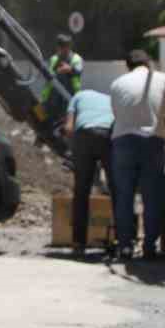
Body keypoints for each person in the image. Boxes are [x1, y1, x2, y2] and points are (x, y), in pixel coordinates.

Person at [109, 49, 165, 261]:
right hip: (152, 143)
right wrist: (156, 127)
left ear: (127, 66)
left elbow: (117, 115)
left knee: (124, 196)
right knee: (151, 196)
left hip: (122, 143)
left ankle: (126, 246)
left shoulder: (117, 84)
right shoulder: (163, 79)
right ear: (149, 64)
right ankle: (149, 247)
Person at [62, 87, 114, 256]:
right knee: (117, 189)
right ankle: (119, 240)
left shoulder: (77, 96)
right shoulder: (110, 99)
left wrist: (72, 149)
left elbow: (69, 127)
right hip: (108, 134)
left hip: (84, 135)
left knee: (82, 191)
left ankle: (78, 243)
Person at [44, 34, 84, 103]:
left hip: (71, 96)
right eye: (61, 46)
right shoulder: (53, 59)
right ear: (58, 47)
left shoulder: (76, 59)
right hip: (53, 98)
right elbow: (47, 75)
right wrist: (57, 72)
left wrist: (70, 69)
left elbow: (78, 72)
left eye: (66, 46)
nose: (64, 49)